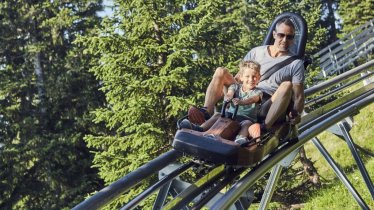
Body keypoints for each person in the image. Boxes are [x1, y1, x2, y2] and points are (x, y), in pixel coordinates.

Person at [188, 17, 305, 137]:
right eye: (281, 35)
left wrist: (296, 114)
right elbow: (239, 78)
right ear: (274, 34)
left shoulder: (295, 64)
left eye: (289, 37)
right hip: (244, 93)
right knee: (220, 71)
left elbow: (298, 96)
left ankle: (264, 127)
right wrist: (231, 94)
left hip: (267, 103)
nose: (285, 40)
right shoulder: (256, 52)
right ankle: (206, 112)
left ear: (292, 39)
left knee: (287, 85)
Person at [180, 60, 263, 143]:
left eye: (254, 76)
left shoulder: (258, 92)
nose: (251, 79)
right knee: (218, 115)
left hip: (245, 118)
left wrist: (242, 102)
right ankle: (199, 128)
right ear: (241, 77)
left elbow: (253, 99)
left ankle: (240, 138)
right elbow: (230, 92)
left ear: (259, 78)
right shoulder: (235, 86)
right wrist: (228, 97)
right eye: (247, 76)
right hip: (230, 115)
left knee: (247, 124)